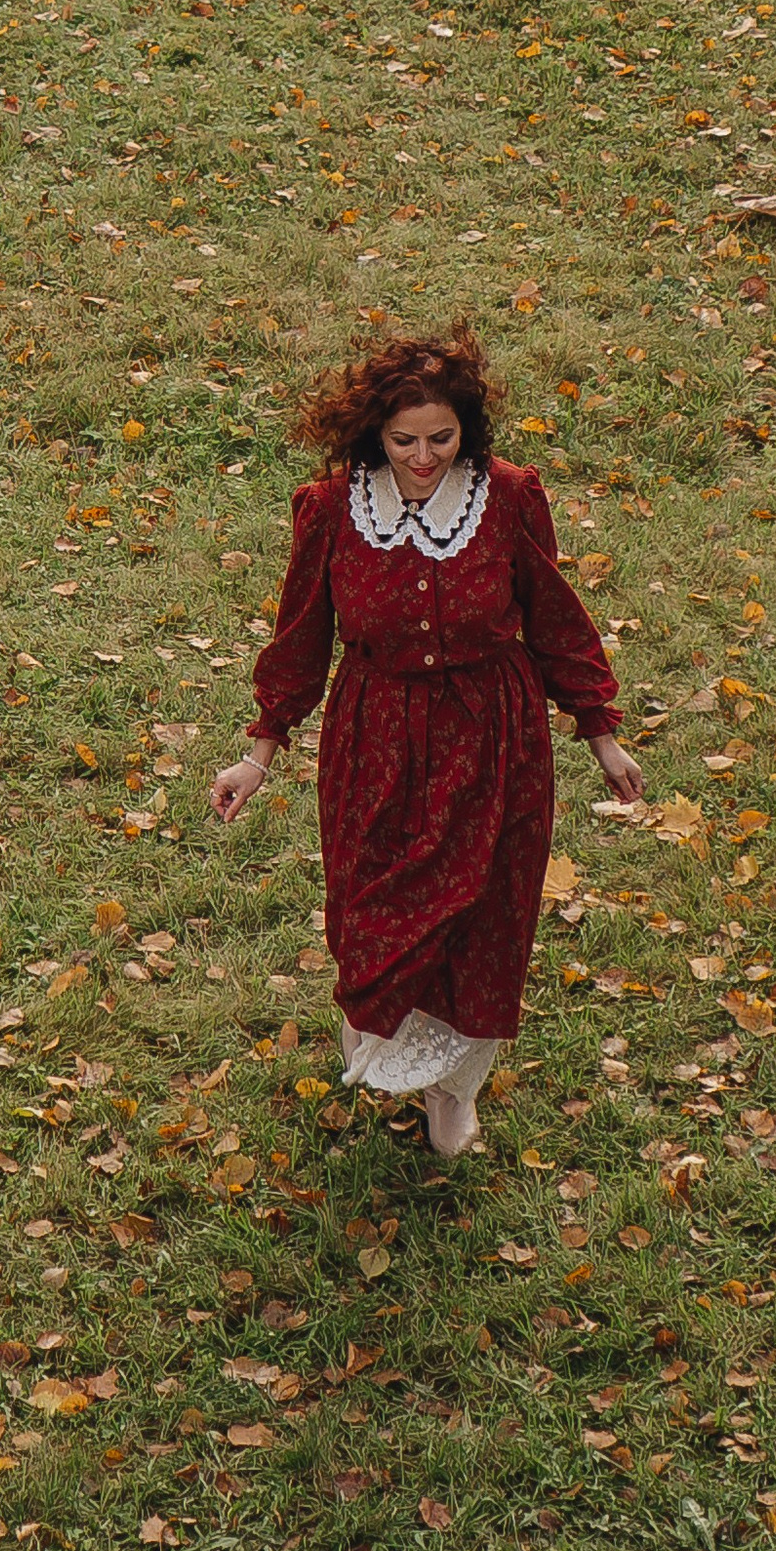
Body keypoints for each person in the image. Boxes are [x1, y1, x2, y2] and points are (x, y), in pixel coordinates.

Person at [210, 323, 638, 1157]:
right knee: (371, 917)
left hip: (493, 742)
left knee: (479, 924)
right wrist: (260, 751)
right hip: (374, 742)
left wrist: (601, 735)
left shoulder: (509, 496)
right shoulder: (333, 509)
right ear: (375, 431)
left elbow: (554, 620)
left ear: (465, 429)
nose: (422, 456)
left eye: (440, 437)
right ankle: (383, 1047)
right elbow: (301, 639)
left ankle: (452, 1093)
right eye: (403, 439)